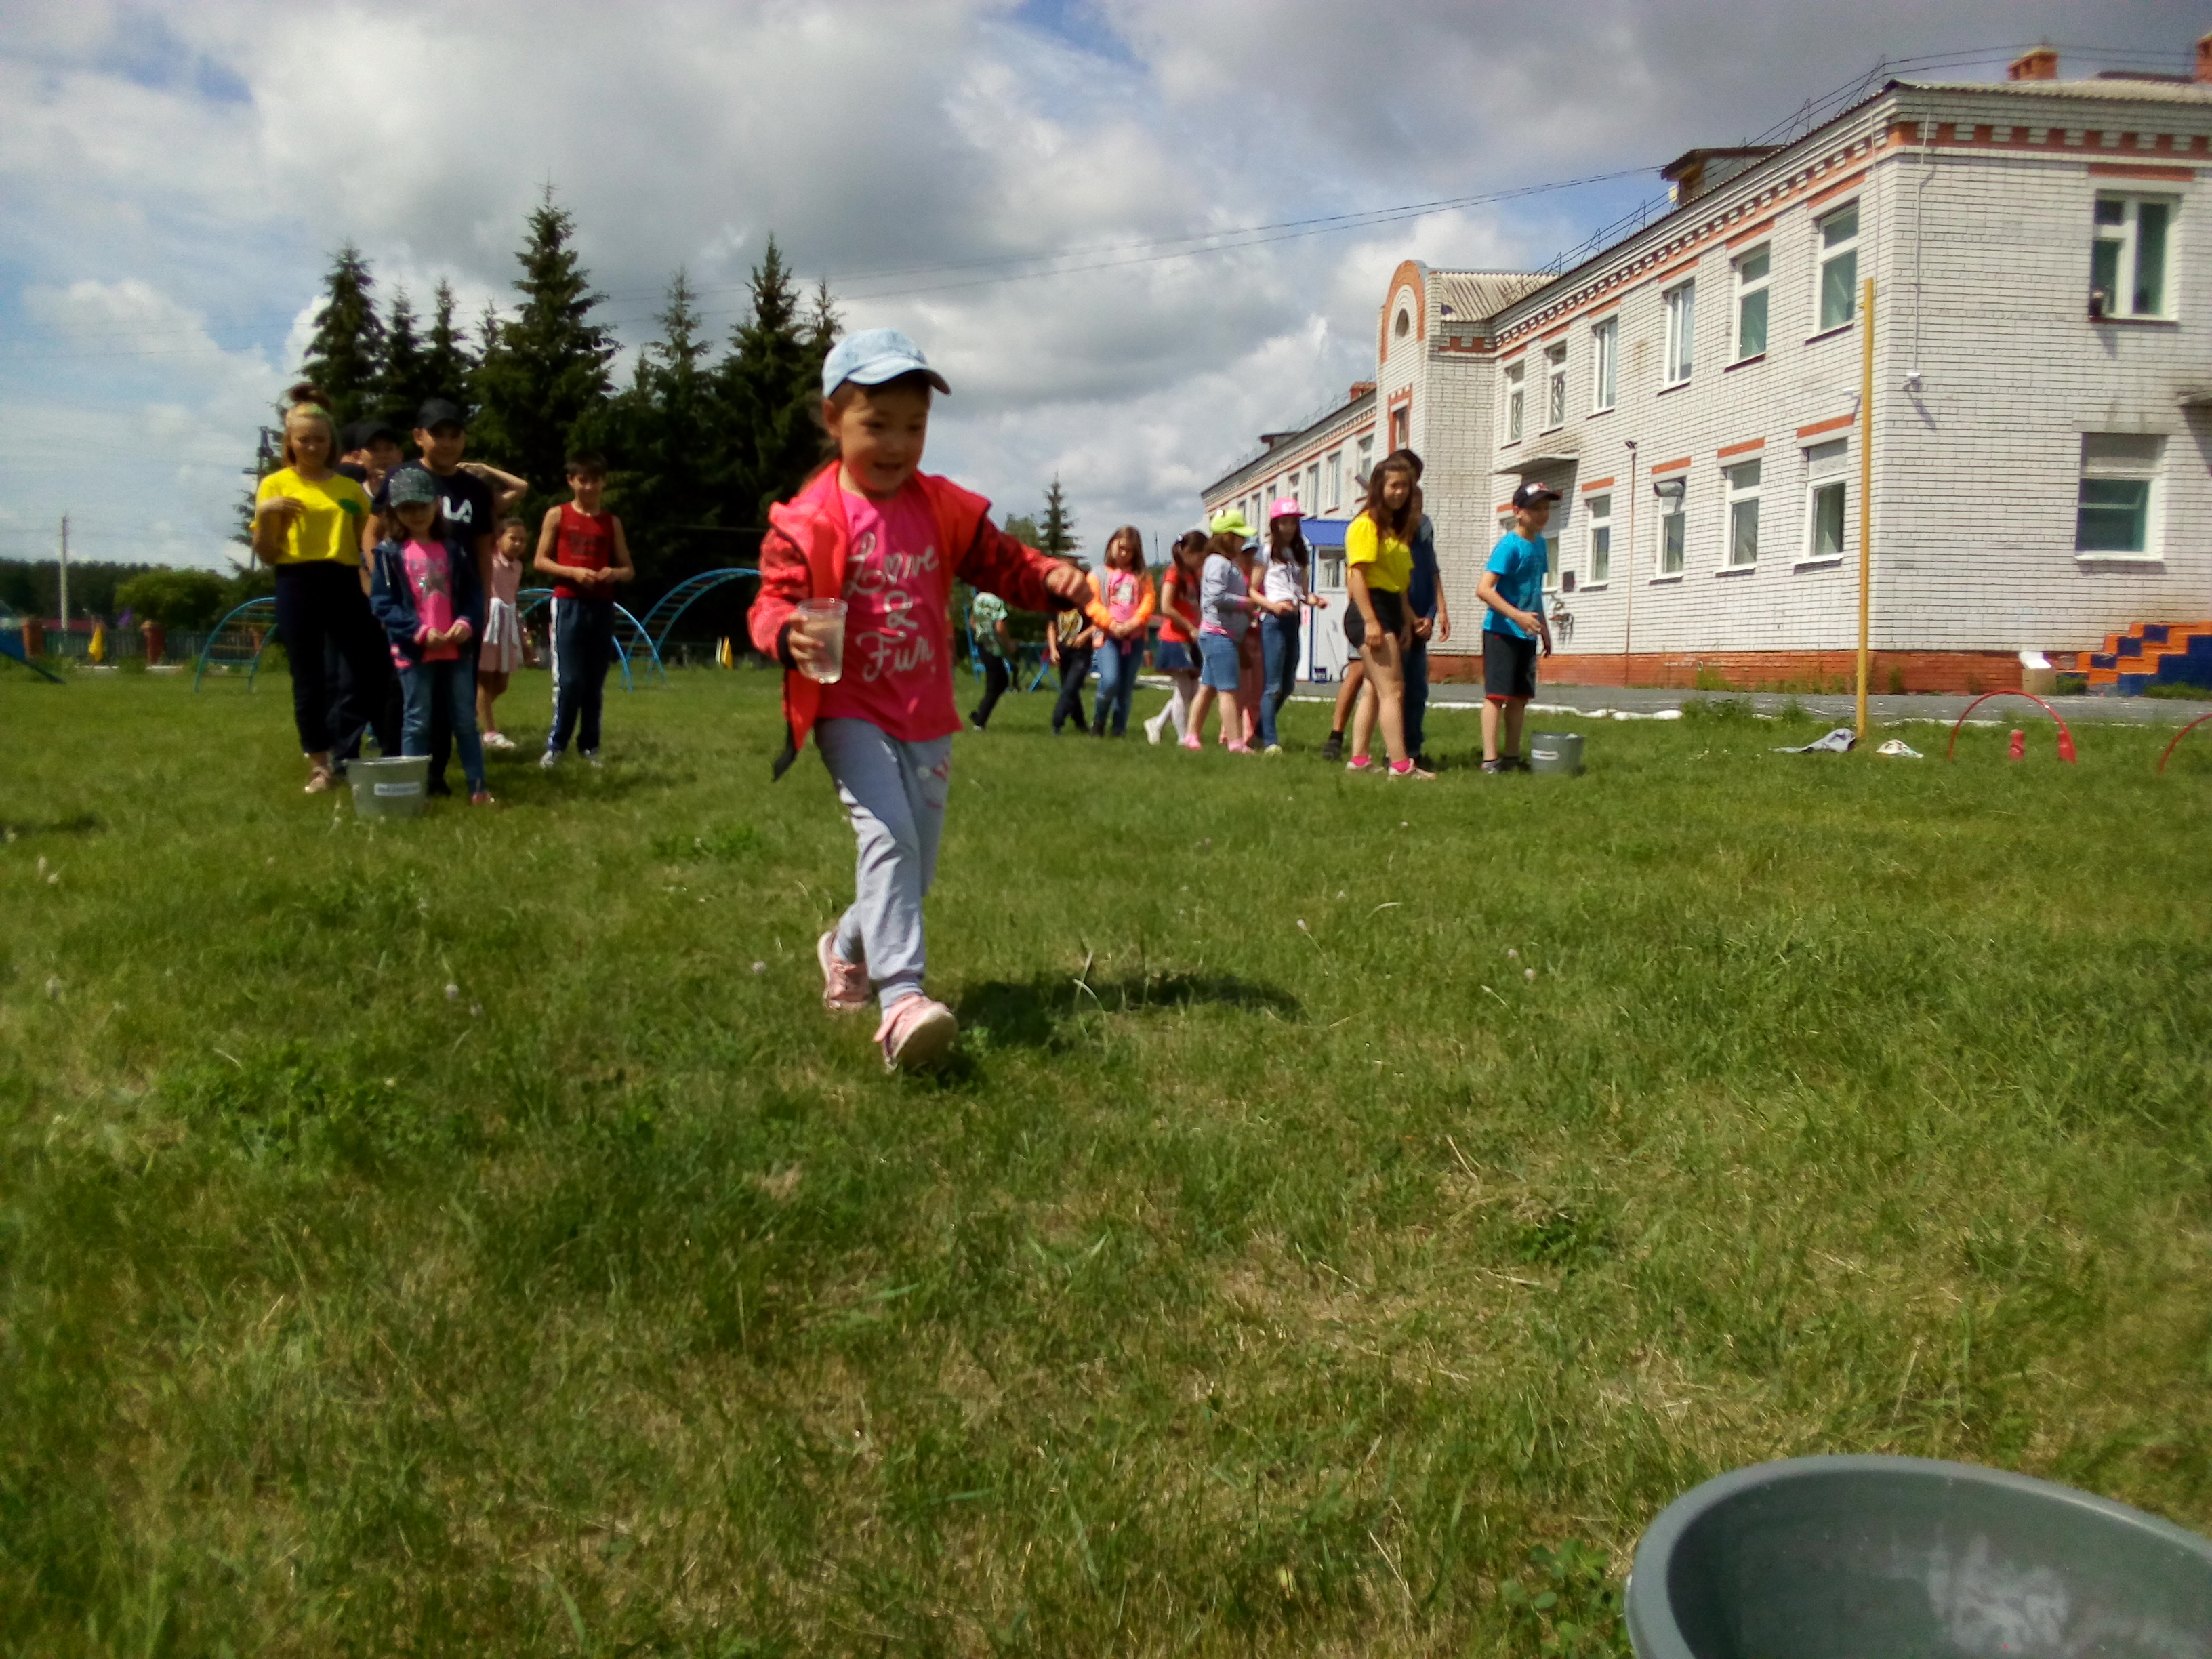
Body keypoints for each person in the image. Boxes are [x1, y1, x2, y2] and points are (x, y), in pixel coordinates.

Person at [748, 327, 1093, 1071]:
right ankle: (902, 1001)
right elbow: (770, 602)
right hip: (848, 709)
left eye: (915, 426)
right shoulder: (809, 520)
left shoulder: (940, 508)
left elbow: (1003, 562)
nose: (899, 444)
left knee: (914, 869)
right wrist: (785, 633)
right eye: (878, 425)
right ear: (833, 419)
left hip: (925, 713)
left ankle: (845, 949)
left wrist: (1050, 578)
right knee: (889, 840)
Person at [248, 390, 397, 792]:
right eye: (304, 440)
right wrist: (265, 514)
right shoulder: (275, 485)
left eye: (320, 439)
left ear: (332, 443)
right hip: (296, 581)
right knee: (309, 677)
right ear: (290, 442)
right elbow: (267, 554)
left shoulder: (348, 489)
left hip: (344, 580)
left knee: (374, 667)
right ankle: (320, 764)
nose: (312, 447)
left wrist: (375, 593)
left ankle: (389, 753)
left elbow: (366, 543)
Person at [364, 399, 499, 796]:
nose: (446, 442)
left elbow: (483, 550)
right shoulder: (402, 476)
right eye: (437, 434)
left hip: (458, 617)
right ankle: (399, 777)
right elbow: (372, 532)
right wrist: (379, 582)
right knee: (406, 704)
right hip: (412, 622)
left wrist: (480, 609)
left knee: (454, 709)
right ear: (419, 437)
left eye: (454, 434)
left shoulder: (474, 490)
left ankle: (438, 777)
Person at [532, 451, 633, 767]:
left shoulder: (611, 522)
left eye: (595, 480)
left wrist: (613, 573)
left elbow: (628, 568)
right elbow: (540, 560)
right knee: (571, 680)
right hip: (568, 603)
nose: (589, 487)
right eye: (583, 480)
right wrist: (573, 572)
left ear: (604, 483)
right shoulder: (558, 515)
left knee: (594, 681)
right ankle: (557, 744)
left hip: (602, 605)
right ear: (571, 481)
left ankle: (590, 745)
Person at [1343, 453, 1431, 779]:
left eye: (1405, 486)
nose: (1400, 492)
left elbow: (1400, 584)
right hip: (1372, 608)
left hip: (1392, 608)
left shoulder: (1394, 532)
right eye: (1393, 486)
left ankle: (1360, 759)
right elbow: (1357, 576)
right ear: (1379, 488)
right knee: (1393, 690)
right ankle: (1401, 765)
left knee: (1373, 687)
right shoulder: (1365, 526)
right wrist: (1371, 621)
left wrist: (1407, 620)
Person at [1479, 481, 1557, 773]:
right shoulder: (1509, 546)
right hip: (1501, 632)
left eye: (1546, 508)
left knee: (1520, 697)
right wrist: (1517, 616)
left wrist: (1544, 628)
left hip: (1527, 633)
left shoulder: (1540, 545)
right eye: (1536, 508)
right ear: (1518, 512)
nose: (1543, 514)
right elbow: (1484, 590)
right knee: (1496, 696)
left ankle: (1512, 757)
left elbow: (1535, 592)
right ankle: (1490, 760)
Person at [1385, 449, 1452, 771]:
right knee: (1395, 688)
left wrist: (1439, 611)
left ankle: (1414, 746)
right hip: (1399, 619)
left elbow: (1433, 570)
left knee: (1417, 688)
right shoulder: (1393, 536)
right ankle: (1394, 750)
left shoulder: (1424, 531)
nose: (1418, 514)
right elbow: (1396, 583)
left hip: (1423, 617)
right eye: (1413, 508)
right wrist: (1410, 618)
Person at [1181, 514, 1258, 754]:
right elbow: (1215, 597)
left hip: (1220, 634)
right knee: (1228, 690)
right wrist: (1245, 604)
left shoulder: (1224, 563)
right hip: (1219, 635)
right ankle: (1235, 742)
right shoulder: (1218, 563)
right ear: (1228, 537)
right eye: (1239, 537)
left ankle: (1191, 736)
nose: (1242, 542)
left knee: (1208, 688)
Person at [1255, 499, 1326, 753]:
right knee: (1273, 685)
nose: (1289, 527)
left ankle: (1259, 731)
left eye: (1294, 522)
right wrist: (1271, 606)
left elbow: (1303, 593)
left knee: (1288, 685)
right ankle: (1270, 741)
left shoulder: (1300, 552)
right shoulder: (1266, 552)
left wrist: (1314, 600)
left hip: (1293, 620)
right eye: (1284, 522)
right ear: (1275, 524)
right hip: (1274, 620)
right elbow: (1252, 590)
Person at [1090, 526, 1155, 738]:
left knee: (1126, 687)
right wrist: (1112, 624)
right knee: (1110, 681)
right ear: (1111, 545)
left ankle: (1119, 730)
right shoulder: (1098, 574)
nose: (1124, 554)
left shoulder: (1142, 576)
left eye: (1130, 550)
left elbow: (1148, 602)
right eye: (1121, 548)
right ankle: (1099, 721)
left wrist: (1134, 623)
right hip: (1107, 637)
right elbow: (1092, 604)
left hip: (1134, 637)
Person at [1143, 530, 1206, 744]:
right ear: (1187, 552)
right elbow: (1167, 607)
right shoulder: (1174, 574)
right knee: (1184, 690)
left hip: (1191, 638)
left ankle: (1158, 723)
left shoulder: (1195, 575)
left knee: (1193, 690)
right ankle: (1183, 737)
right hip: (1175, 638)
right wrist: (1189, 627)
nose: (1202, 562)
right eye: (1200, 557)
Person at [476, 518, 529, 750]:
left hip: (507, 623)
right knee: (485, 680)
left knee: (502, 682)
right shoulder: (490, 559)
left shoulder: (517, 567)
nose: (518, 544)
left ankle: (464, 715)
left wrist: (524, 639)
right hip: (490, 623)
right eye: (513, 538)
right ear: (498, 540)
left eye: (522, 540)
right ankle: (490, 732)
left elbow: (513, 599)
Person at [1046, 558, 1099, 735]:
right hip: (1063, 650)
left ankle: (1057, 722)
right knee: (1070, 689)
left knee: (1071, 687)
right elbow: (1052, 626)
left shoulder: (1084, 598)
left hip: (1082, 652)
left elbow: (1098, 622)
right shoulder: (1056, 600)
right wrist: (1053, 649)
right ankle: (1080, 723)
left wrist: (1085, 635)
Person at [967, 588, 1012, 731]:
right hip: (994, 647)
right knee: (997, 683)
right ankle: (979, 721)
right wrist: (1009, 644)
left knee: (1000, 681)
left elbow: (972, 621)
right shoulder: (997, 602)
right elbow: (1000, 627)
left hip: (982, 645)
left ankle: (980, 714)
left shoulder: (979, 599)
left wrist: (981, 633)